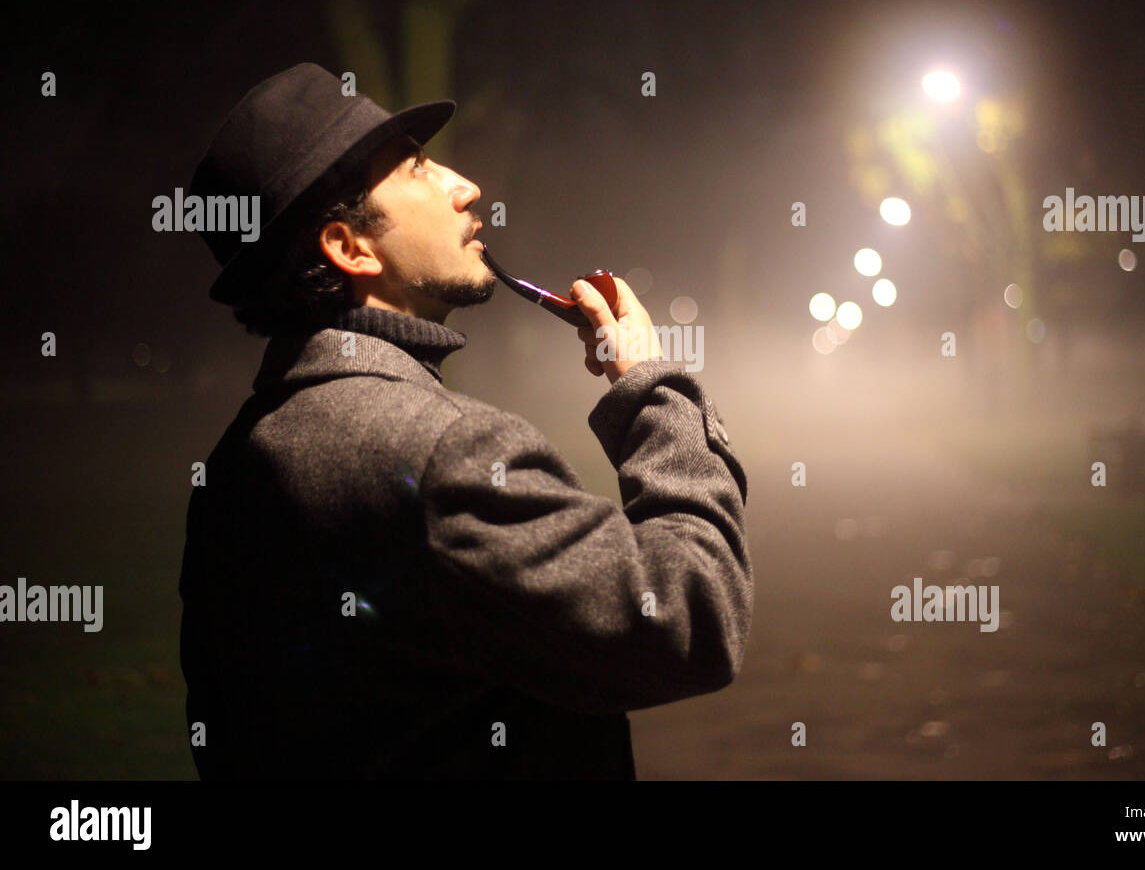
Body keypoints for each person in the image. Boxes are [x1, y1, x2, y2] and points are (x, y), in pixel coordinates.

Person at [179, 63, 752, 779]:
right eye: (418, 169)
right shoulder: (449, 453)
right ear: (348, 246)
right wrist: (651, 392)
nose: (465, 186)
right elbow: (690, 621)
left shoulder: (232, 466)